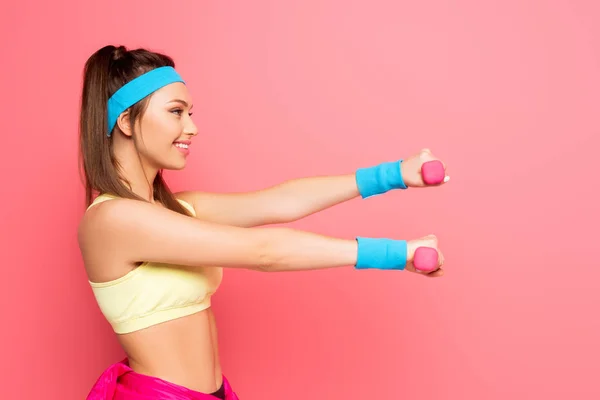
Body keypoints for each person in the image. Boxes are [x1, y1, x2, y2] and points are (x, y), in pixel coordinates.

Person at [78, 44, 449, 400]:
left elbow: (278, 203)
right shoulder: (114, 219)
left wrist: (394, 174)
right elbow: (264, 251)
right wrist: (395, 254)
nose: (192, 128)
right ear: (126, 120)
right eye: (176, 112)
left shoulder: (177, 210)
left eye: (191, 113)